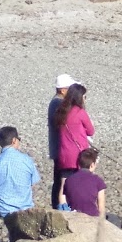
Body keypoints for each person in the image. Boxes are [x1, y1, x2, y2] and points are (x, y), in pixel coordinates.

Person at [0, 126, 39, 218]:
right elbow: (33, 184)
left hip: (0, 208)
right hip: (24, 207)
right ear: (14, 140)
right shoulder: (27, 160)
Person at [53, 82, 94, 204]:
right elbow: (91, 131)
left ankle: (63, 208)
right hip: (79, 153)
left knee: (63, 184)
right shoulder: (80, 112)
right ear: (79, 97)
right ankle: (79, 206)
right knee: (82, 182)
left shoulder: (60, 111)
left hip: (64, 153)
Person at [62, 147, 121, 226]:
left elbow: (68, 201)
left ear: (79, 164)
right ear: (92, 165)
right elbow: (101, 206)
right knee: (114, 219)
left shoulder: (68, 180)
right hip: (92, 217)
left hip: (75, 216)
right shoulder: (98, 180)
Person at [48, 73, 76, 209]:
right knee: (60, 181)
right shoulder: (58, 103)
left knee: (60, 180)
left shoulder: (57, 102)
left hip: (59, 148)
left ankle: (59, 205)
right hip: (61, 148)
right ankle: (58, 206)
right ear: (63, 90)